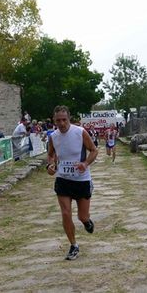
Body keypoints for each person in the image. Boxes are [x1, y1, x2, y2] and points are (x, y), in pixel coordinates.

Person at [47, 105, 97, 260]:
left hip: (81, 180)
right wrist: (50, 166)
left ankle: (87, 222)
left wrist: (85, 164)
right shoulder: (53, 137)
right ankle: (73, 245)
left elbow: (94, 150)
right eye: (58, 120)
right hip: (63, 180)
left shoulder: (80, 132)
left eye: (64, 120)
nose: (61, 123)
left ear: (69, 119)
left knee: (82, 217)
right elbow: (50, 155)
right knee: (65, 213)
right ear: (54, 121)